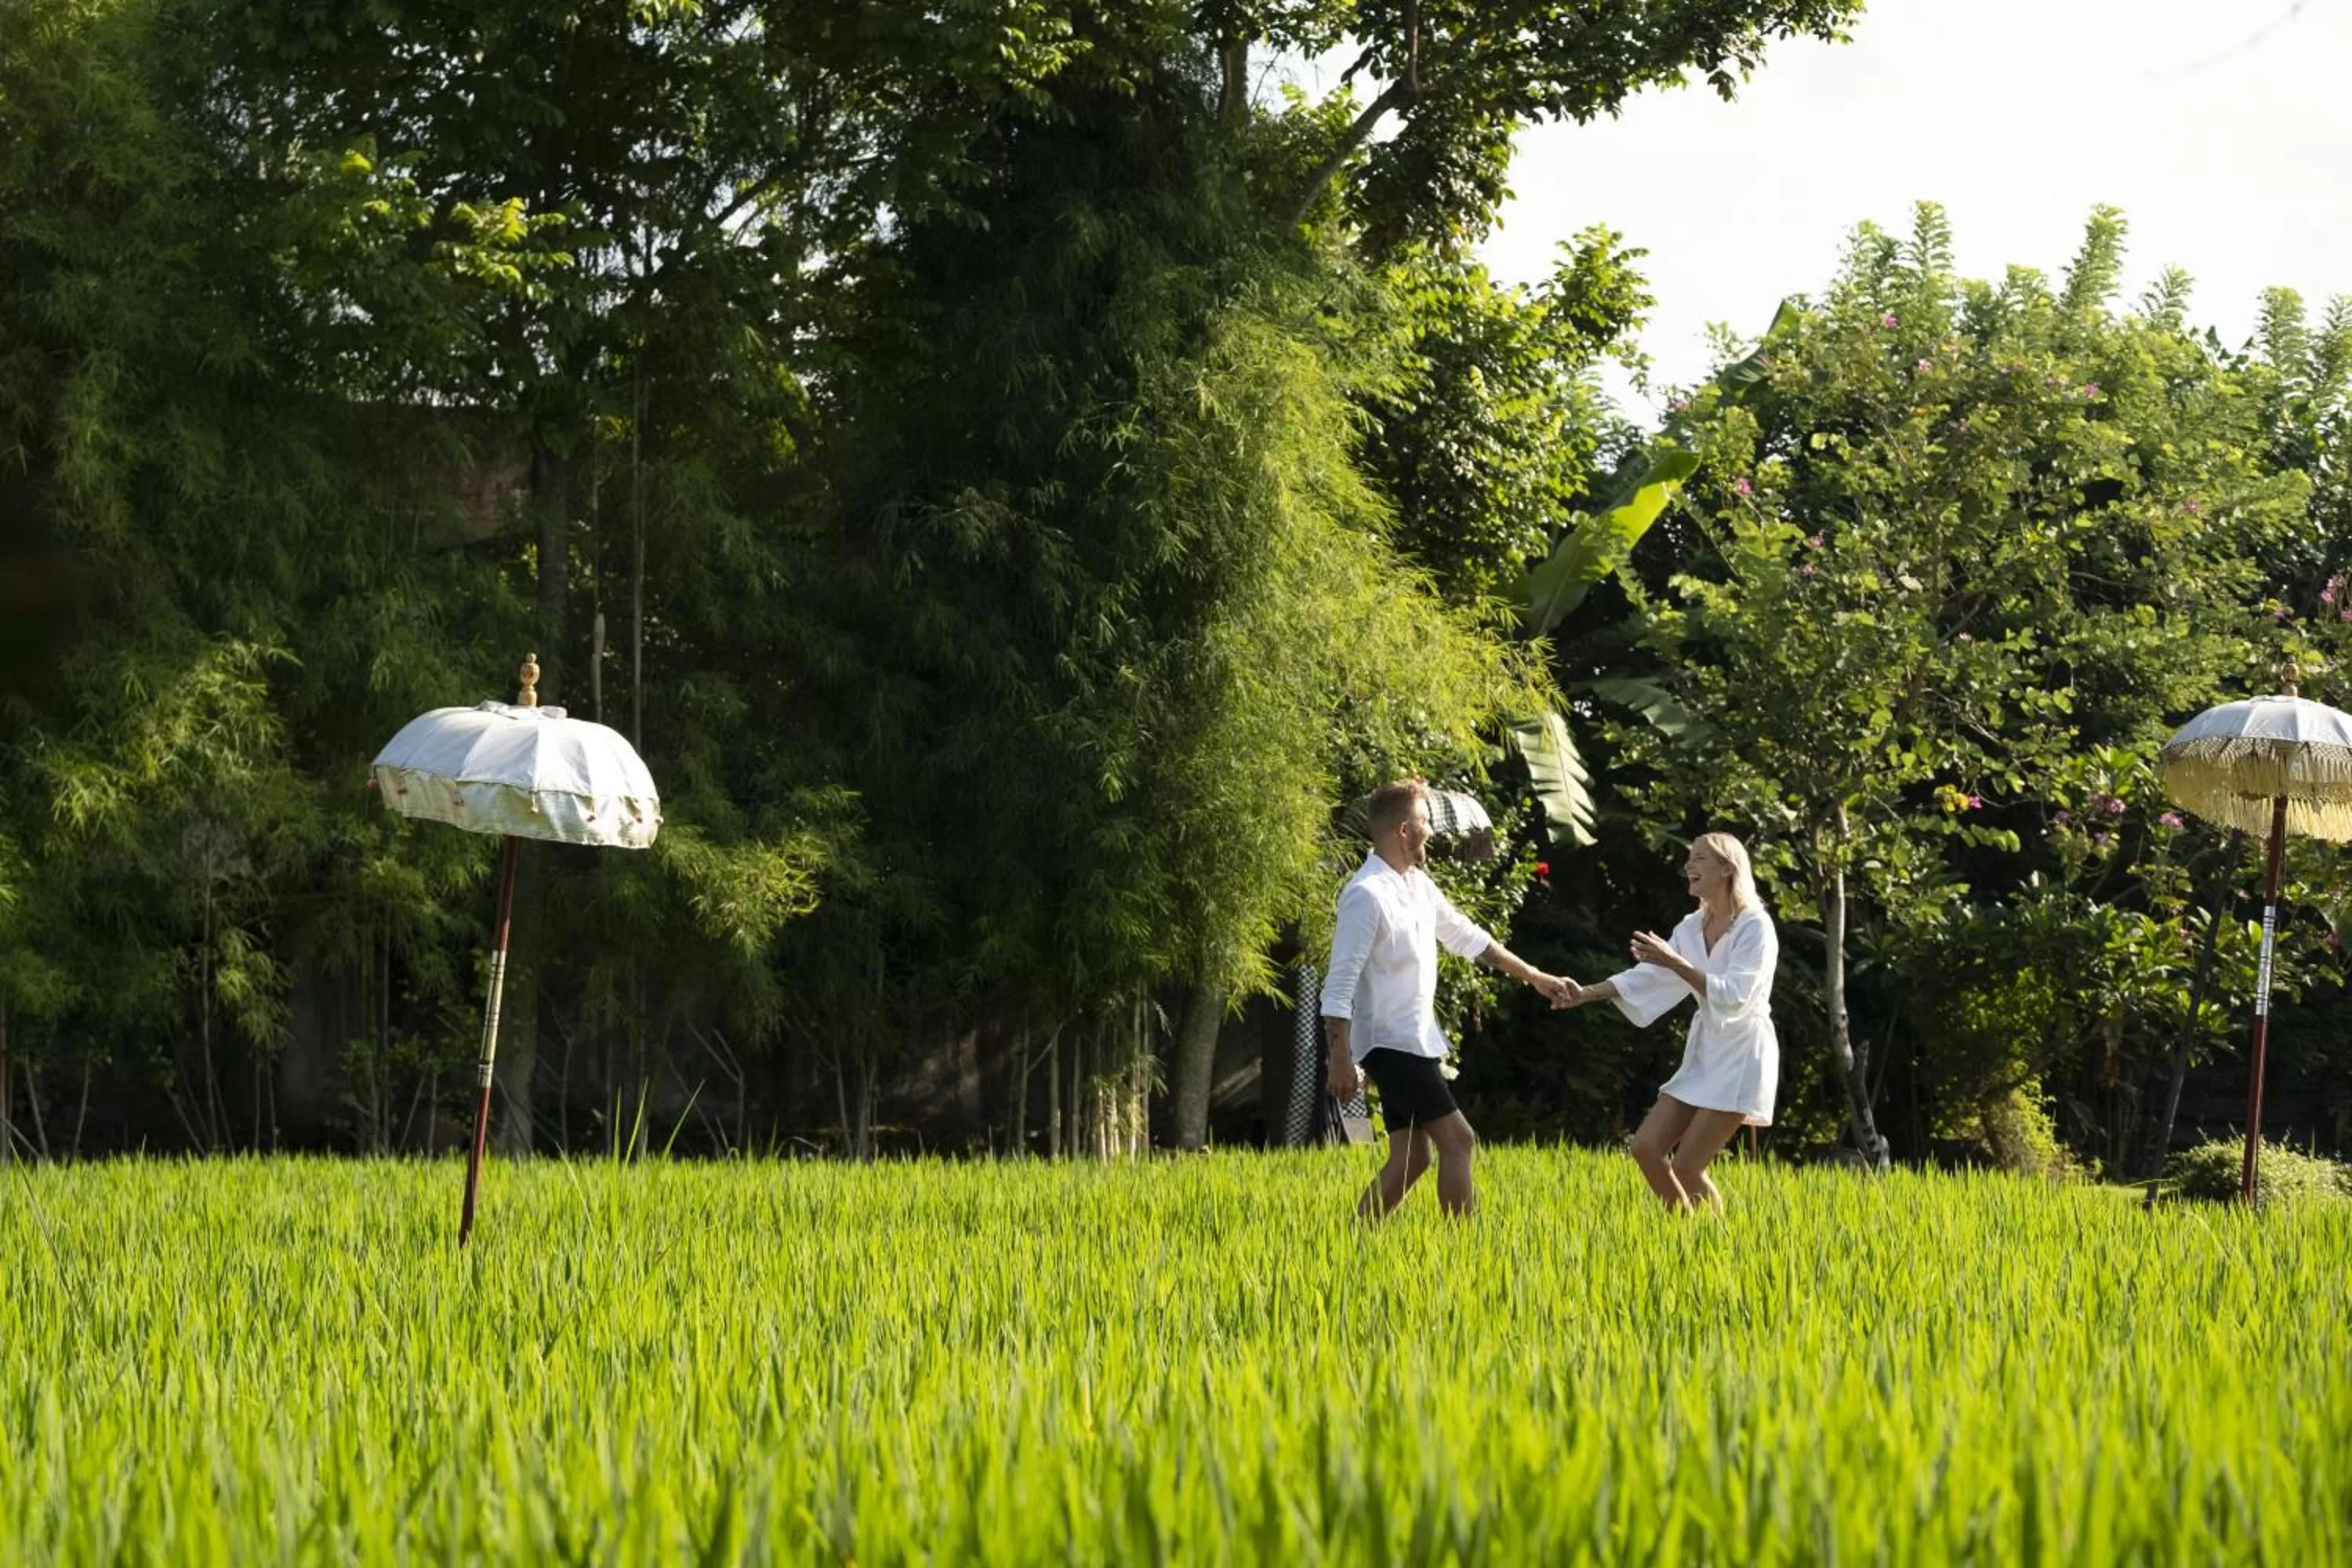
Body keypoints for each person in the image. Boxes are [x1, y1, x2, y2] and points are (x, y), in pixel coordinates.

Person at [1322, 779, 1573, 1218]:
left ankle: (1355, 1240)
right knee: (1460, 1140)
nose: (1432, 832)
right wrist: (1340, 1057)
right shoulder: (1366, 895)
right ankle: (1464, 1246)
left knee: (1413, 1158)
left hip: (1414, 1039)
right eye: (1425, 822)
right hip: (1390, 1043)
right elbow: (1339, 983)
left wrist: (1534, 976)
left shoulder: (1417, 885)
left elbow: (1468, 937)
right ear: (1404, 830)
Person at [1555, 832, 1778, 1210]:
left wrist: (1673, 961)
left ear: (1727, 868)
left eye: (1700, 858)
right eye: (1689, 858)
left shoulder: (1755, 926)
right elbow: (1649, 978)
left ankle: (1716, 1240)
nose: (1689, 866)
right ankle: (1686, 1232)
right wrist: (1584, 993)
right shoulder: (1692, 927)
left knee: (1689, 1167)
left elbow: (1735, 994)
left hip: (1743, 1054)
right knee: (1646, 1147)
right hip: (1706, 1051)